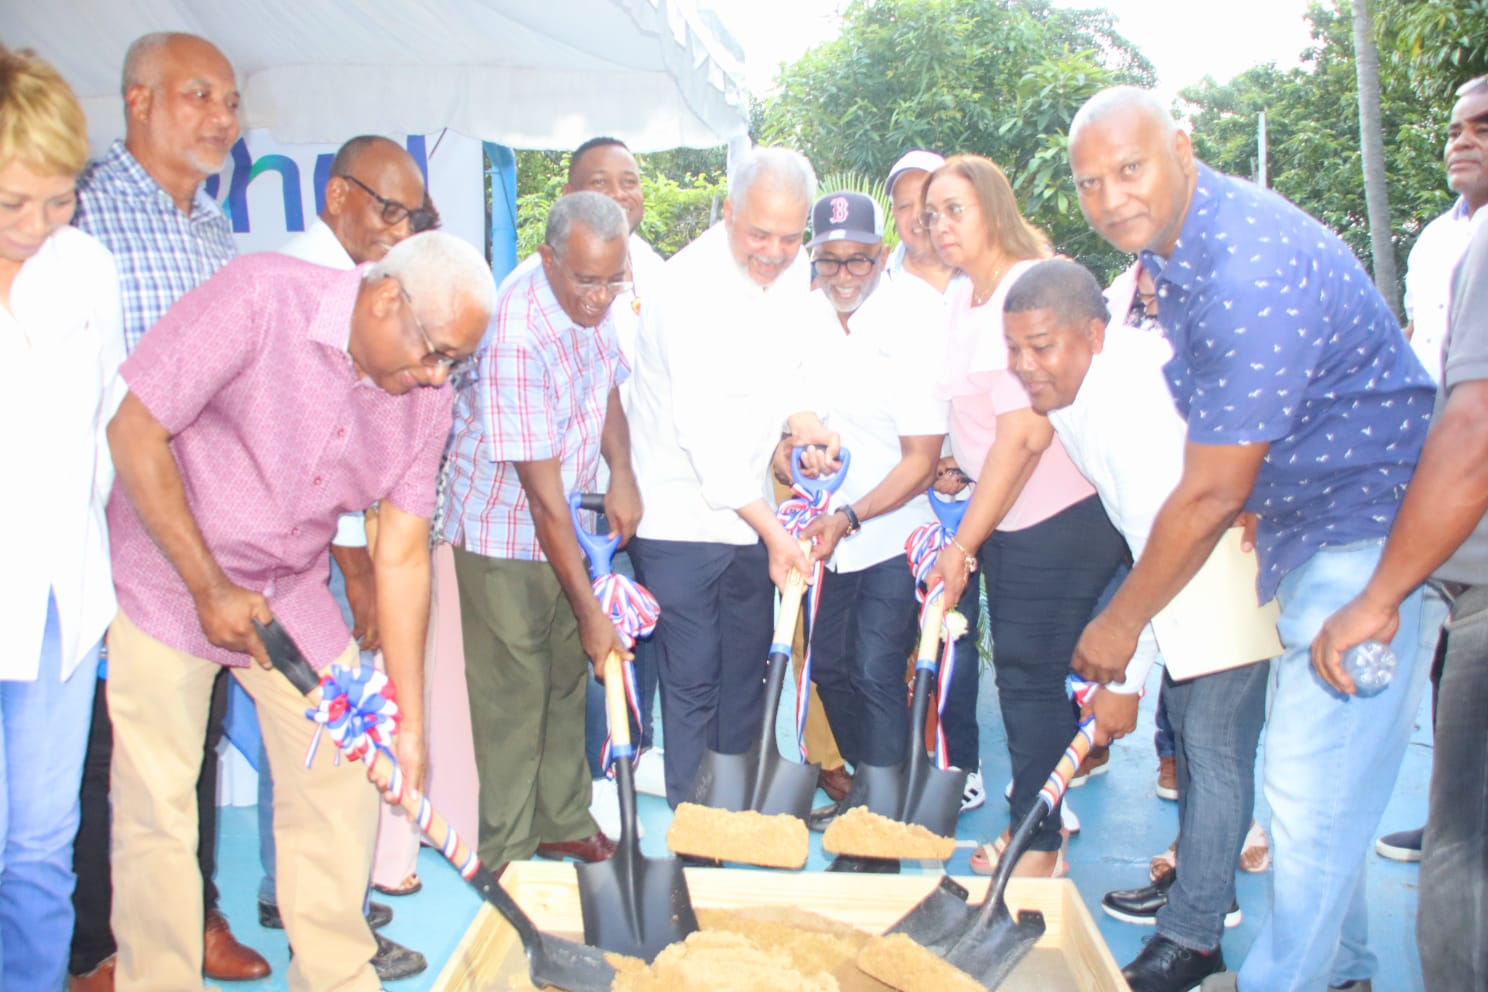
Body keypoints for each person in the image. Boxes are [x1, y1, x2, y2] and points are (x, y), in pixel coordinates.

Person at [1066, 86, 1438, 992]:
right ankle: (1342, 970)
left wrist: (1121, 623)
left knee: (1307, 794)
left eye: (1130, 168)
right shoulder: (1179, 251)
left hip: (1370, 538)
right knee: (1326, 790)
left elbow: (1208, 490)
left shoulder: (1243, 267)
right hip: (1311, 526)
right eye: (1089, 182)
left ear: (1183, 148)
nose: (1111, 197)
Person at [104, 230, 495, 992]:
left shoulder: (428, 402)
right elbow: (133, 428)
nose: (435, 377)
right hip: (168, 574)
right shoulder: (261, 297)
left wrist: (409, 725)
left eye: (454, 364)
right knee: (159, 805)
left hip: (288, 589)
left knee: (346, 768)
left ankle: (335, 976)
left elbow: (402, 557)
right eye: (434, 353)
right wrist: (207, 586)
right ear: (385, 298)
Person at [65, 31, 266, 990]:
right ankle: (99, 946)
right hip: (104, 527)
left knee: (195, 739)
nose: (222, 118)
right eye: (199, 96)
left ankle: (193, 914)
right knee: (110, 751)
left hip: (206, 533)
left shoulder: (216, 230)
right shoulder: (80, 213)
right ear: (138, 100)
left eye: (230, 101)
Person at [1001, 259, 1264, 984]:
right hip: (1180, 555)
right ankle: (1198, 885)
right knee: (1197, 737)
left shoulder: (1132, 402)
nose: (1025, 365)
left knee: (1212, 748)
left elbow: (1162, 542)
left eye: (1042, 346)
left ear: (1095, 333)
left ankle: (1196, 937)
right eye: (1014, 348)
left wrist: (1125, 682)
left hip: (1223, 560)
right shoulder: (1074, 391)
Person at [253, 134, 433, 981]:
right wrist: (355, 568)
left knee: (326, 754)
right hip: (256, 560)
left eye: (413, 217)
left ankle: (327, 924)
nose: (399, 229)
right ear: (336, 196)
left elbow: (367, 478)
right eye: (388, 208)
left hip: (311, 560)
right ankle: (300, 908)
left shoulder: (376, 296)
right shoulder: (294, 286)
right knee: (301, 755)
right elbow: (307, 459)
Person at [922, 154, 1127, 879]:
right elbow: (977, 416)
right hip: (1006, 512)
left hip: (1053, 515)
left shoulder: (1020, 288)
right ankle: (1042, 822)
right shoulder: (962, 294)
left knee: (1030, 679)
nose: (940, 226)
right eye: (932, 213)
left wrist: (962, 544)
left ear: (995, 210)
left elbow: (1027, 435)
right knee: (1027, 677)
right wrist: (956, 460)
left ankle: (1038, 848)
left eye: (957, 209)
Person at [1313, 174, 1488, 992]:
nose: (1465, 140)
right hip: (1458, 585)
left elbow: (1472, 428)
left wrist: (1382, 594)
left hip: (1465, 588)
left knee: (1465, 852)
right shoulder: (1446, 245)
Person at [625, 146, 826, 811]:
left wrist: (803, 424)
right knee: (693, 682)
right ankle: (695, 833)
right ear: (730, 211)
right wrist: (775, 532)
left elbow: (793, 367)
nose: (775, 252)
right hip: (678, 516)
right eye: (760, 234)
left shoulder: (793, 270)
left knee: (746, 676)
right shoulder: (686, 288)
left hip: (749, 517)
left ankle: (734, 815)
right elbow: (703, 436)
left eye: (790, 237)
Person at [442, 191, 637, 870]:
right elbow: (541, 500)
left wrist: (622, 471)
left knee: (564, 678)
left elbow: (607, 387)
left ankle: (562, 820)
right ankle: (506, 851)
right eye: (586, 281)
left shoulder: (593, 300)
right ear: (548, 260)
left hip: (565, 526)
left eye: (613, 281)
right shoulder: (516, 334)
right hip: (503, 538)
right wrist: (590, 611)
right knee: (514, 695)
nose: (601, 298)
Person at [0, 45, 124, 992]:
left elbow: (106, 427)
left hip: (57, 601)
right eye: (13, 204)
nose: (39, 228)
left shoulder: (86, 268)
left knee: (41, 842)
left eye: (59, 201)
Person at [791, 190, 946, 863]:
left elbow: (922, 460)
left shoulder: (916, 318)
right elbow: (797, 408)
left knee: (876, 667)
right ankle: (873, 787)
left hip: (897, 524)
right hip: (831, 528)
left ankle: (882, 829)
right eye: (830, 261)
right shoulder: (806, 315)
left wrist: (850, 515)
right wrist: (806, 445)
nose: (844, 275)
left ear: (883, 256)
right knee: (828, 666)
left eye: (858, 260)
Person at [1374, 74, 1488, 863]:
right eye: (1455, 127)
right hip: (1438, 478)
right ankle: (1453, 812)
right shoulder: (1437, 243)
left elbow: (1474, 412)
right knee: (1454, 664)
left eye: (1483, 126)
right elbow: (1424, 358)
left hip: (1469, 472)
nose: (1463, 139)